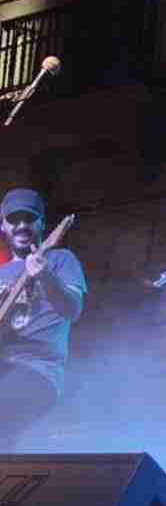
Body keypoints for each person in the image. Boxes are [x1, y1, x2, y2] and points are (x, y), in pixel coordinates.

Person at [0, 188, 86, 450]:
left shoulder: (60, 259)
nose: (22, 225)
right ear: (2, 225)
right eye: (14, 219)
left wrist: (45, 276)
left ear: (43, 223)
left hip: (37, 370)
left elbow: (73, 310)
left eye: (30, 218)